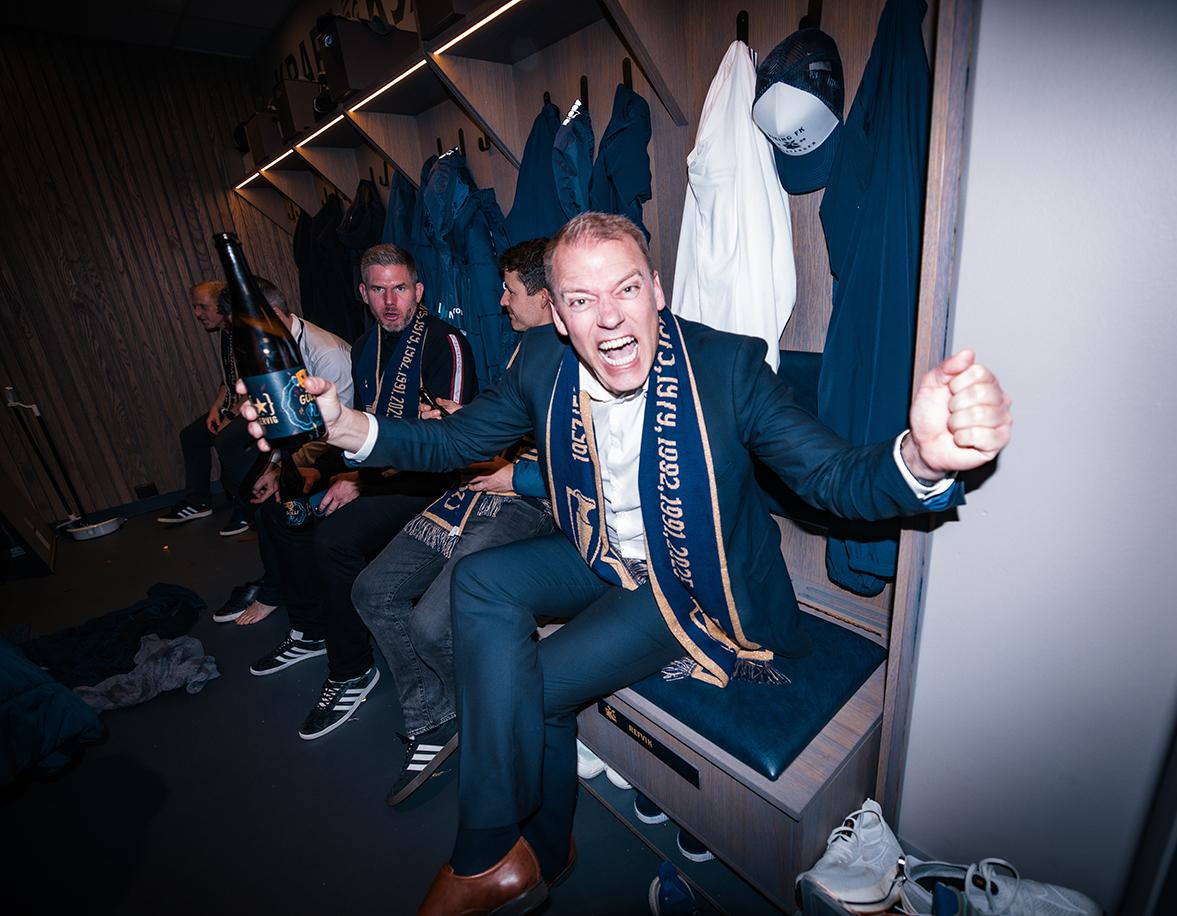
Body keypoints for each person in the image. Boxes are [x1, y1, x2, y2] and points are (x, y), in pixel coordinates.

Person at [240, 214, 1013, 914]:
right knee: (478, 579)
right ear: (558, 315)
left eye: (626, 289)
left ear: (657, 292)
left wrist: (920, 459)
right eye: (581, 300)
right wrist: (342, 427)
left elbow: (831, 477)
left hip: (693, 579)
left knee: (539, 687)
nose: (608, 316)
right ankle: (523, 847)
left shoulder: (726, 367)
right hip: (600, 551)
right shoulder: (539, 363)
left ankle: (501, 852)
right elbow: (454, 442)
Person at [351, 238, 558, 806]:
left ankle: (488, 722)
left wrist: (517, 476)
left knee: (429, 626)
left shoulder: (575, 356)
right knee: (372, 590)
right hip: (480, 486)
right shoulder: (525, 350)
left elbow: (593, 466)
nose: (500, 300)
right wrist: (461, 418)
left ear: (543, 296)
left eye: (509, 290)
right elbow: (490, 430)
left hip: (533, 502)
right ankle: (434, 712)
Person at [247, 244, 477, 742]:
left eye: (400, 288)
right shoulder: (364, 346)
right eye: (378, 289)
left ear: (418, 291)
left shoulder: (445, 343)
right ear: (363, 293)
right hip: (377, 464)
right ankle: (312, 628)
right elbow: (362, 423)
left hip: (431, 480)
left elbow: (452, 446)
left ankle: (352, 669)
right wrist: (292, 467)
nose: (390, 301)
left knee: (334, 539)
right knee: (281, 508)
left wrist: (362, 481)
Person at [211, 279, 354, 626]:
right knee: (254, 487)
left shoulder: (326, 354)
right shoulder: (267, 350)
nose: (240, 338)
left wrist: (280, 470)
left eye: (244, 327)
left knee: (278, 506)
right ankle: (278, 584)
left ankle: (292, 604)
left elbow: (337, 433)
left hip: (342, 451)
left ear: (273, 315)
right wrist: (273, 464)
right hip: (306, 446)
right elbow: (277, 420)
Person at [159, 280, 252, 535]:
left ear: (222, 305)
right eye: (195, 307)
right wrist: (216, 408)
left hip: (255, 406)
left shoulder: (245, 333)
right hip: (235, 404)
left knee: (225, 439)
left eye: (202, 306)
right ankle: (198, 502)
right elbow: (229, 380)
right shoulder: (226, 332)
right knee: (192, 435)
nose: (197, 313)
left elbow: (255, 382)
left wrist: (230, 416)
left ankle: (246, 508)